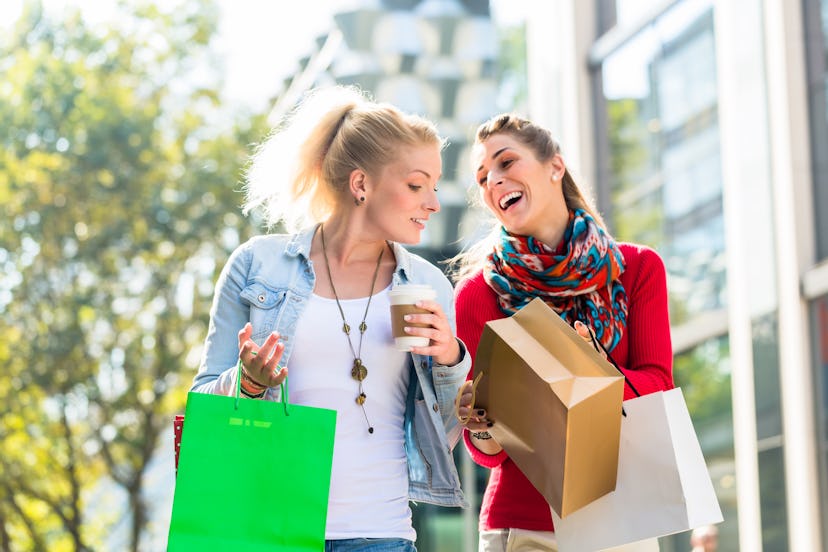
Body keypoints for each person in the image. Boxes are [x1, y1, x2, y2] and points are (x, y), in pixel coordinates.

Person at [191, 85, 470, 552]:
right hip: (268, 529)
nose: (434, 203)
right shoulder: (257, 265)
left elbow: (442, 438)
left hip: (381, 534)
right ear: (361, 184)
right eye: (417, 185)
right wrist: (249, 383)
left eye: (435, 187)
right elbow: (202, 409)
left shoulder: (427, 286)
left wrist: (449, 360)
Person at [452, 113, 674, 552]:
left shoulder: (637, 270)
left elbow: (660, 385)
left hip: (622, 519)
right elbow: (487, 453)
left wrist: (596, 374)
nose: (493, 181)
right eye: (482, 178)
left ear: (555, 167)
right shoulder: (478, 293)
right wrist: (479, 424)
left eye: (506, 162)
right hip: (524, 527)